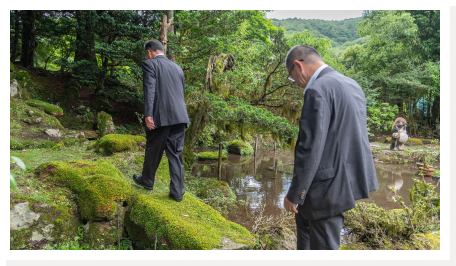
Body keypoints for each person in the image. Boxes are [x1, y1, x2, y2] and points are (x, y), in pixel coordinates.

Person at [283, 45, 379, 250]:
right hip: (345, 182)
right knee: (306, 233)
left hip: (325, 190)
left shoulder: (317, 90)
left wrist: (295, 193)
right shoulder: (351, 84)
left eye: (292, 77)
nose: (296, 84)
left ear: (298, 66)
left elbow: (310, 147)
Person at [133, 39, 190, 202]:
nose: (147, 56)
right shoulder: (178, 68)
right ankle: (177, 192)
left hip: (160, 115)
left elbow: (149, 89)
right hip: (180, 116)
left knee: (153, 149)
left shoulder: (149, 64)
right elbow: (181, 92)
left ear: (150, 52)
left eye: (147, 54)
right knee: (176, 154)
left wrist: (148, 114)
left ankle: (147, 181)